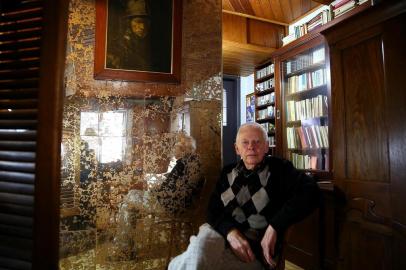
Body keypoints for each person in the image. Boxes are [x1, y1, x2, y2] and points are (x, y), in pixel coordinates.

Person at [168, 122, 320, 270]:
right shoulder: (227, 172)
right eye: (245, 142)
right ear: (237, 148)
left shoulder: (280, 169)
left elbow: (311, 191)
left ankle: (177, 264)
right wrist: (231, 232)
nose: (251, 147)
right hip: (220, 233)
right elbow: (212, 210)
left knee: (196, 262)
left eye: (257, 142)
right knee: (200, 249)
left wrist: (275, 226)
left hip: (252, 248)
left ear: (266, 146)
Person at [108, 133, 204, 261]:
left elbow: (176, 192)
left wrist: (157, 192)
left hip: (170, 206)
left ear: (183, 149)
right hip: (172, 203)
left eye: (175, 147)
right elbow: (172, 187)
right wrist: (157, 190)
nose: (173, 150)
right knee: (129, 201)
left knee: (128, 200)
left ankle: (124, 249)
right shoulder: (191, 162)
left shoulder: (184, 164)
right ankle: (124, 247)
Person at [106, 0, 153, 71]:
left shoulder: (151, 46)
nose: (143, 27)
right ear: (129, 24)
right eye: (138, 22)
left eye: (146, 22)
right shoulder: (118, 45)